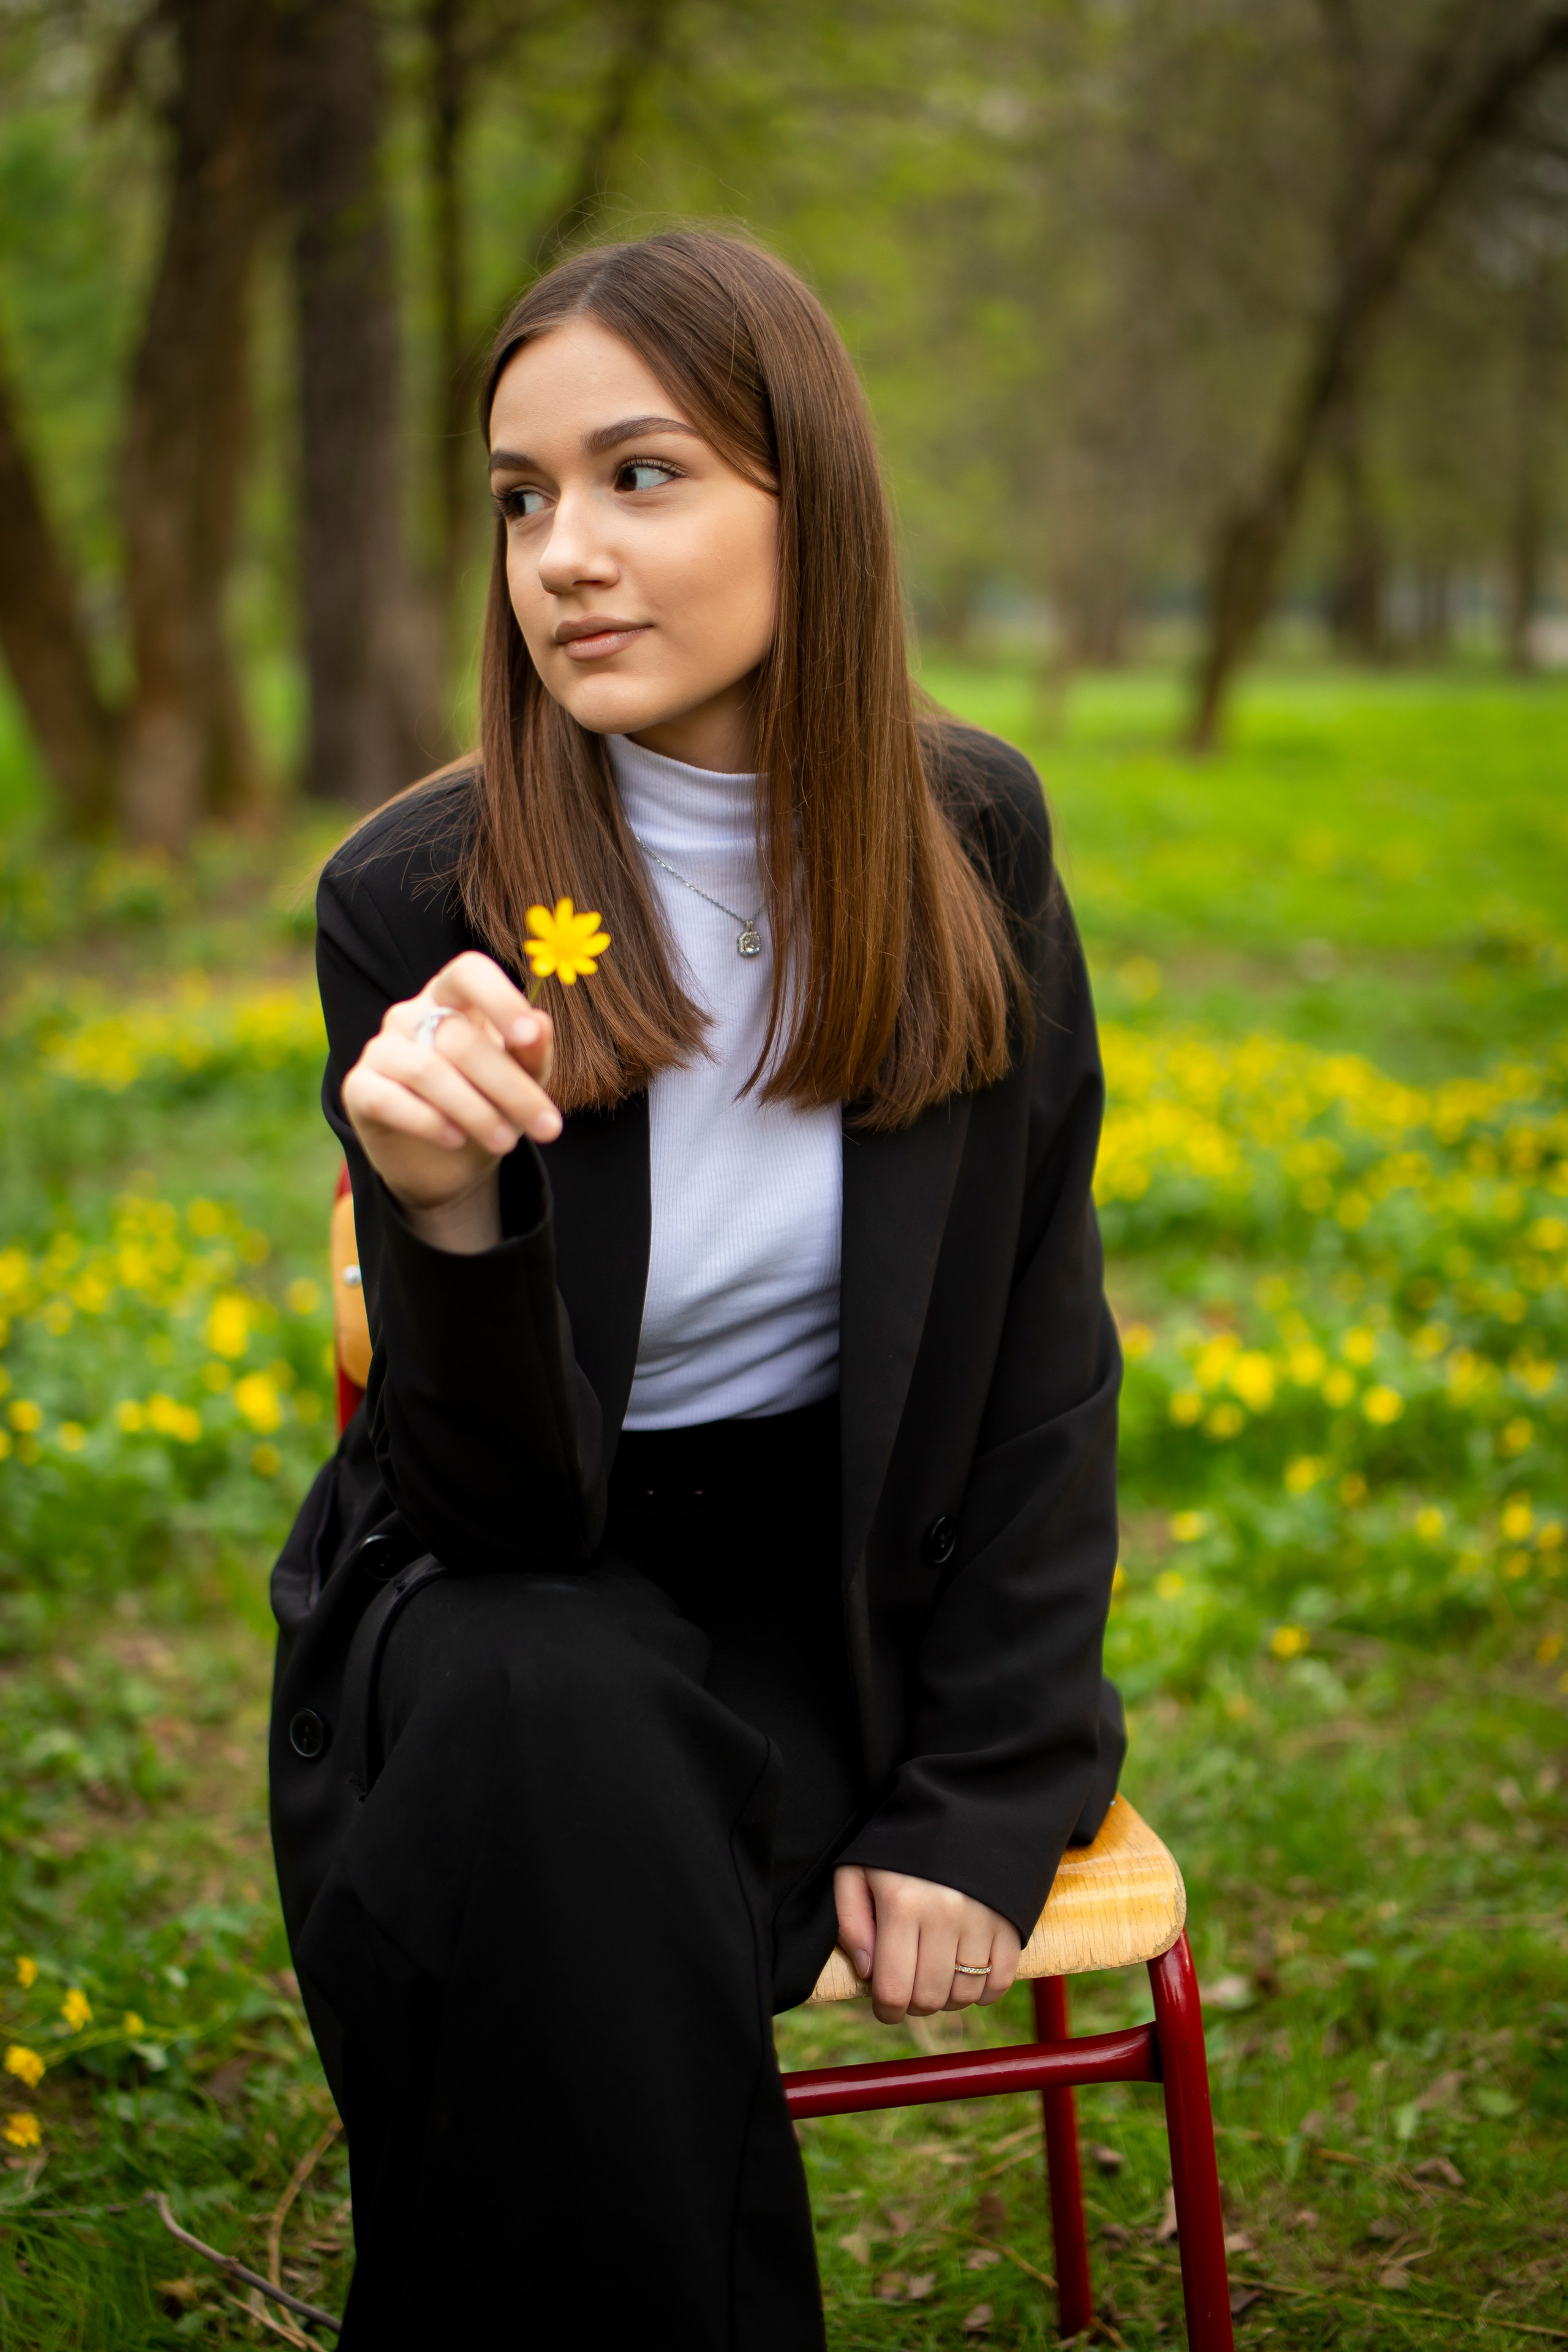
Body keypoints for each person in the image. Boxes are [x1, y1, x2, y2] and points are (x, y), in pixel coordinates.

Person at [268, 228, 1123, 2350]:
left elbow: (1035, 1338)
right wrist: (441, 1219)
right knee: (542, 1723)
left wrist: (987, 1794)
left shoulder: (966, 838)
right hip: (499, 1574)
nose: (563, 553)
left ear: (804, 497)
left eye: (640, 476)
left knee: (562, 1876)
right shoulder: (423, 900)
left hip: (830, 1588)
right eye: (522, 497)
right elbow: (498, 1516)